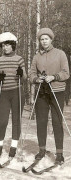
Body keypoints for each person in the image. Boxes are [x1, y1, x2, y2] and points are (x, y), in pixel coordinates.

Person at [30, 28, 69, 164]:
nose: (44, 41)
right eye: (41, 39)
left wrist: (54, 76)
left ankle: (59, 153)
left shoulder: (60, 54)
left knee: (57, 122)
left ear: (51, 39)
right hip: (42, 91)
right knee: (41, 121)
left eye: (46, 38)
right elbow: (31, 74)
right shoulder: (37, 56)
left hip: (57, 91)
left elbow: (66, 73)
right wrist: (37, 79)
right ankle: (42, 150)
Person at [0, 32, 27, 158]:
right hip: (4, 93)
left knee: (16, 120)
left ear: (13, 46)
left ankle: (13, 147)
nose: (5, 48)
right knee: (2, 121)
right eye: (3, 45)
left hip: (17, 92)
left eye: (7, 45)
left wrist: (21, 73)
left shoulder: (19, 59)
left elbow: (25, 77)